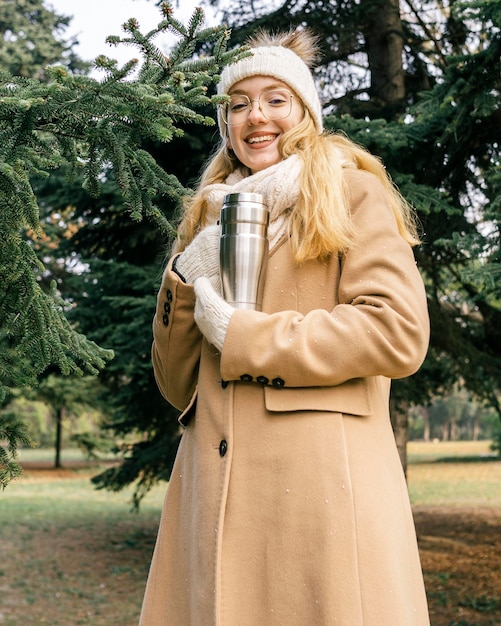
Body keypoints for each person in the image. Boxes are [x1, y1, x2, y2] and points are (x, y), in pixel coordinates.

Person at [139, 29, 430, 626]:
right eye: (238, 104)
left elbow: (397, 331)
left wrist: (243, 333)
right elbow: (175, 385)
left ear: (304, 110)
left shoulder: (353, 193)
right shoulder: (207, 214)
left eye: (275, 98)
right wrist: (185, 279)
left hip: (320, 501)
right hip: (213, 493)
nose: (256, 117)